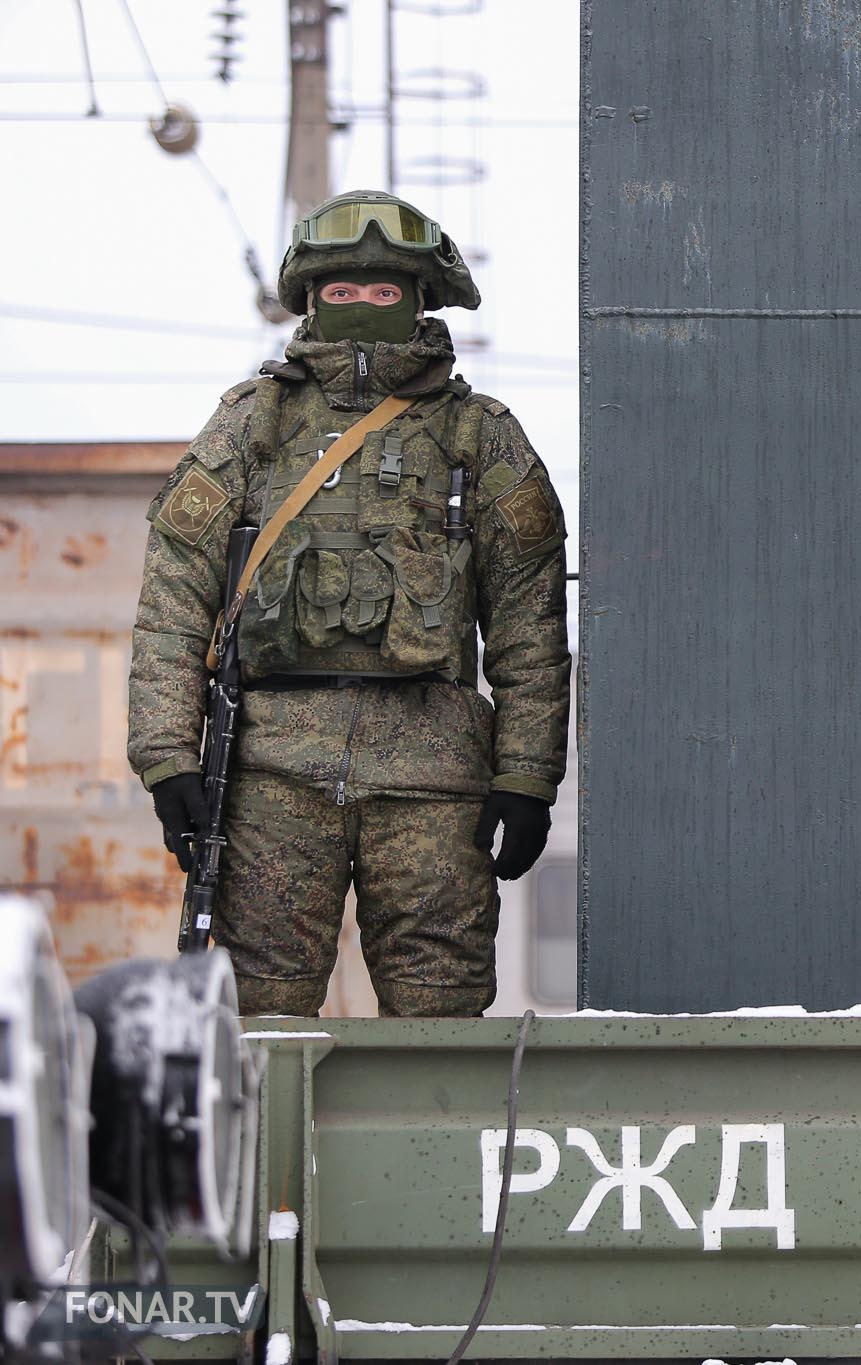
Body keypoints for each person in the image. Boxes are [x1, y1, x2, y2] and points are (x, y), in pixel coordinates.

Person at [129, 190, 570, 1017]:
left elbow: (529, 624)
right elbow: (175, 597)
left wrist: (527, 776)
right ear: (308, 298)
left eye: (382, 292)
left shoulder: (477, 436)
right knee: (260, 1020)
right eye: (341, 292)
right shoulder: (251, 424)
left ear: (419, 298)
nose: (362, 307)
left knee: (441, 1016)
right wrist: (168, 758)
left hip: (434, 780)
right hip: (272, 778)